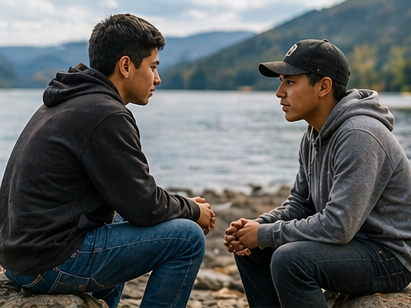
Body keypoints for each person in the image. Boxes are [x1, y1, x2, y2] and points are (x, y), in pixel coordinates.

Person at [0, 14, 215, 308]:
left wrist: (178, 207)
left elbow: (133, 197)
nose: (158, 79)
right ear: (126, 66)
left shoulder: (70, 100)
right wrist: (192, 210)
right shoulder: (106, 114)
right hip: (47, 263)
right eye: (153, 67)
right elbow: (144, 205)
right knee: (188, 238)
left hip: (20, 258)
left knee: (126, 217)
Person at [224, 39, 411, 307]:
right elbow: (301, 204)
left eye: (290, 82)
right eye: (281, 82)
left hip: (390, 256)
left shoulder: (359, 134)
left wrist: (265, 234)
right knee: (251, 251)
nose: (279, 93)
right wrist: (255, 226)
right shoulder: (313, 134)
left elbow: (338, 226)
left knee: (290, 259)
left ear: (324, 86)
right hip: (353, 245)